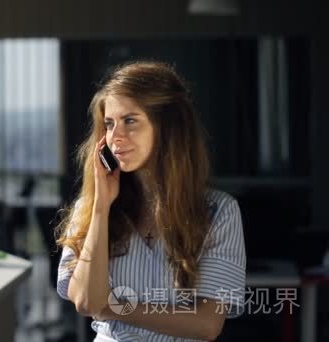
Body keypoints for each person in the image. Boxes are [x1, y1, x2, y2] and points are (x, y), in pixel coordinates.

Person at [55, 61, 246, 341]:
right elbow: (85, 301)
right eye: (109, 124)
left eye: (130, 121)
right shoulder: (91, 208)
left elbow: (206, 325)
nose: (115, 137)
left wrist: (113, 306)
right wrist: (101, 208)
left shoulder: (218, 211)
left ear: (167, 127)